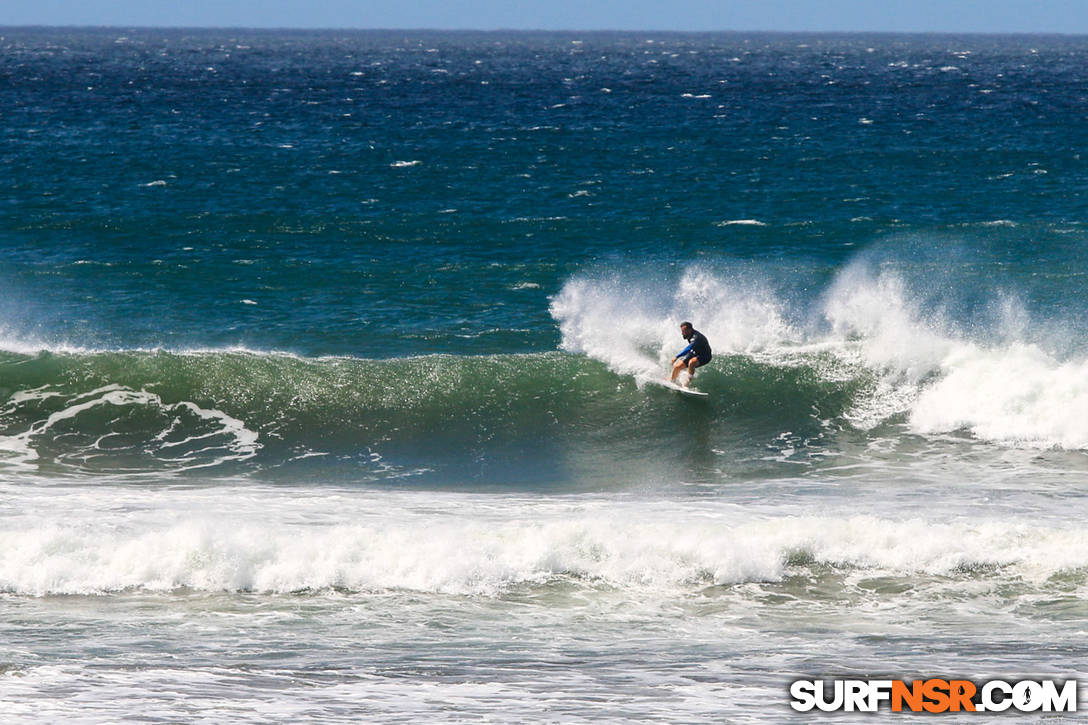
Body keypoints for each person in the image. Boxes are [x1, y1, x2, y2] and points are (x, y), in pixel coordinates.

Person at [670, 321, 712, 387]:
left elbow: (688, 348)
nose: (682, 333)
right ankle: (672, 381)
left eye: (683, 331)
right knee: (677, 367)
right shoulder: (689, 334)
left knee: (691, 362)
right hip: (694, 352)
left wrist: (676, 357)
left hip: (705, 356)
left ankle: (686, 384)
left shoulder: (697, 337)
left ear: (689, 330)